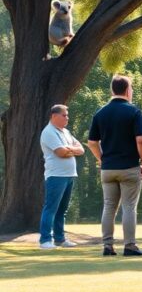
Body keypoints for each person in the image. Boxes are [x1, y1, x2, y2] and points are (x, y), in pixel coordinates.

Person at [87, 74, 142, 257]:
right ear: (128, 90)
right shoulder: (134, 112)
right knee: (129, 207)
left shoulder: (100, 113)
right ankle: (129, 245)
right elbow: (141, 140)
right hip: (129, 167)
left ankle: (108, 246)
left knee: (109, 207)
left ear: (112, 89)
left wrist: (102, 159)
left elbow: (92, 142)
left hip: (108, 169)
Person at [38, 104, 85, 249]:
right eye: (64, 115)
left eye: (67, 115)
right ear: (54, 116)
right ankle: (45, 240)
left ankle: (60, 239)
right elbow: (60, 152)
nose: (67, 118)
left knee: (62, 210)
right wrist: (71, 150)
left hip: (69, 175)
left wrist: (69, 149)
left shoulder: (66, 132)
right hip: (56, 176)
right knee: (51, 208)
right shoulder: (49, 132)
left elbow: (81, 149)